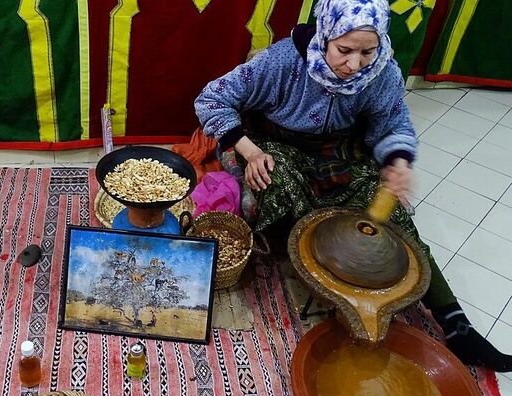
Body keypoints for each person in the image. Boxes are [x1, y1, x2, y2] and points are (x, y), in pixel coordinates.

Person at [195, 0, 512, 372]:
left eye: (367, 51)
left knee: (388, 210)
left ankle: (455, 324)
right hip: (276, 143)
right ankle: (331, 273)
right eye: (344, 50)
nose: (355, 64)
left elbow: (392, 125)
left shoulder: (381, 72)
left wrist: (396, 163)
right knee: (278, 187)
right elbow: (212, 98)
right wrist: (250, 152)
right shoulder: (283, 62)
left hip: (338, 149)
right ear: (326, 35)